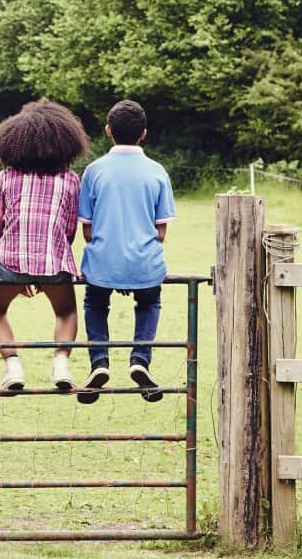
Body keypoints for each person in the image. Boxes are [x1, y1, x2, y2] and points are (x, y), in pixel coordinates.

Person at [0, 100, 90, 402]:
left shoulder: (6, 177)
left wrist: (19, 267)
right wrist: (45, 264)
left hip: (11, 261)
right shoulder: (70, 180)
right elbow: (69, 230)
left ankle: (13, 366)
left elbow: (0, 224)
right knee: (66, 311)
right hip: (54, 261)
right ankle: (61, 365)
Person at [78, 100, 175, 403]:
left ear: (108, 131)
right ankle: (140, 359)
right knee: (149, 303)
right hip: (144, 263)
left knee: (95, 303)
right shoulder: (157, 172)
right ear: (143, 134)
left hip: (103, 263)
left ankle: (99, 362)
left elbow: (87, 230)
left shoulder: (93, 171)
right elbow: (160, 232)